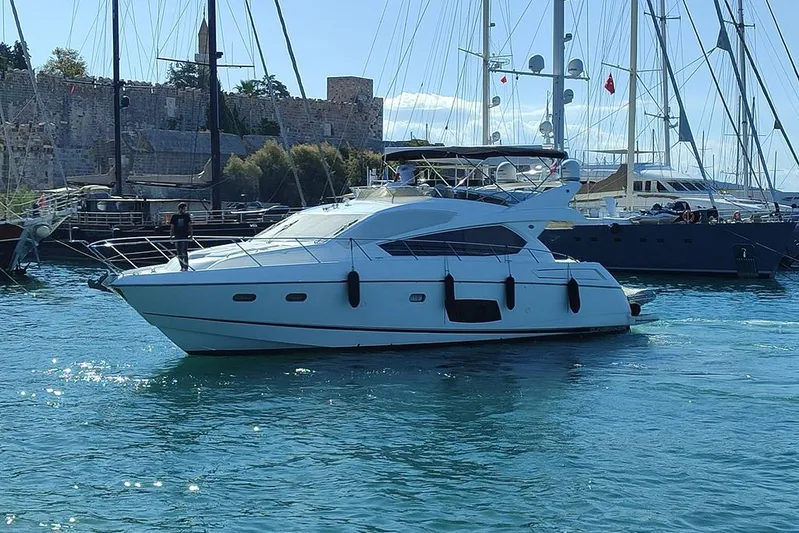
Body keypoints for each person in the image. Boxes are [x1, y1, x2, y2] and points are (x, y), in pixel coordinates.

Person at [170, 202, 193, 271]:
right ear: (180, 209)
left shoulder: (187, 216)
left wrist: (191, 235)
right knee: (179, 252)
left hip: (185, 236)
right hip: (177, 236)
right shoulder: (174, 216)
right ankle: (182, 266)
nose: (185, 210)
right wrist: (171, 236)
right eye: (184, 209)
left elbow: (189, 226)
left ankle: (185, 267)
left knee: (184, 252)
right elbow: (172, 227)